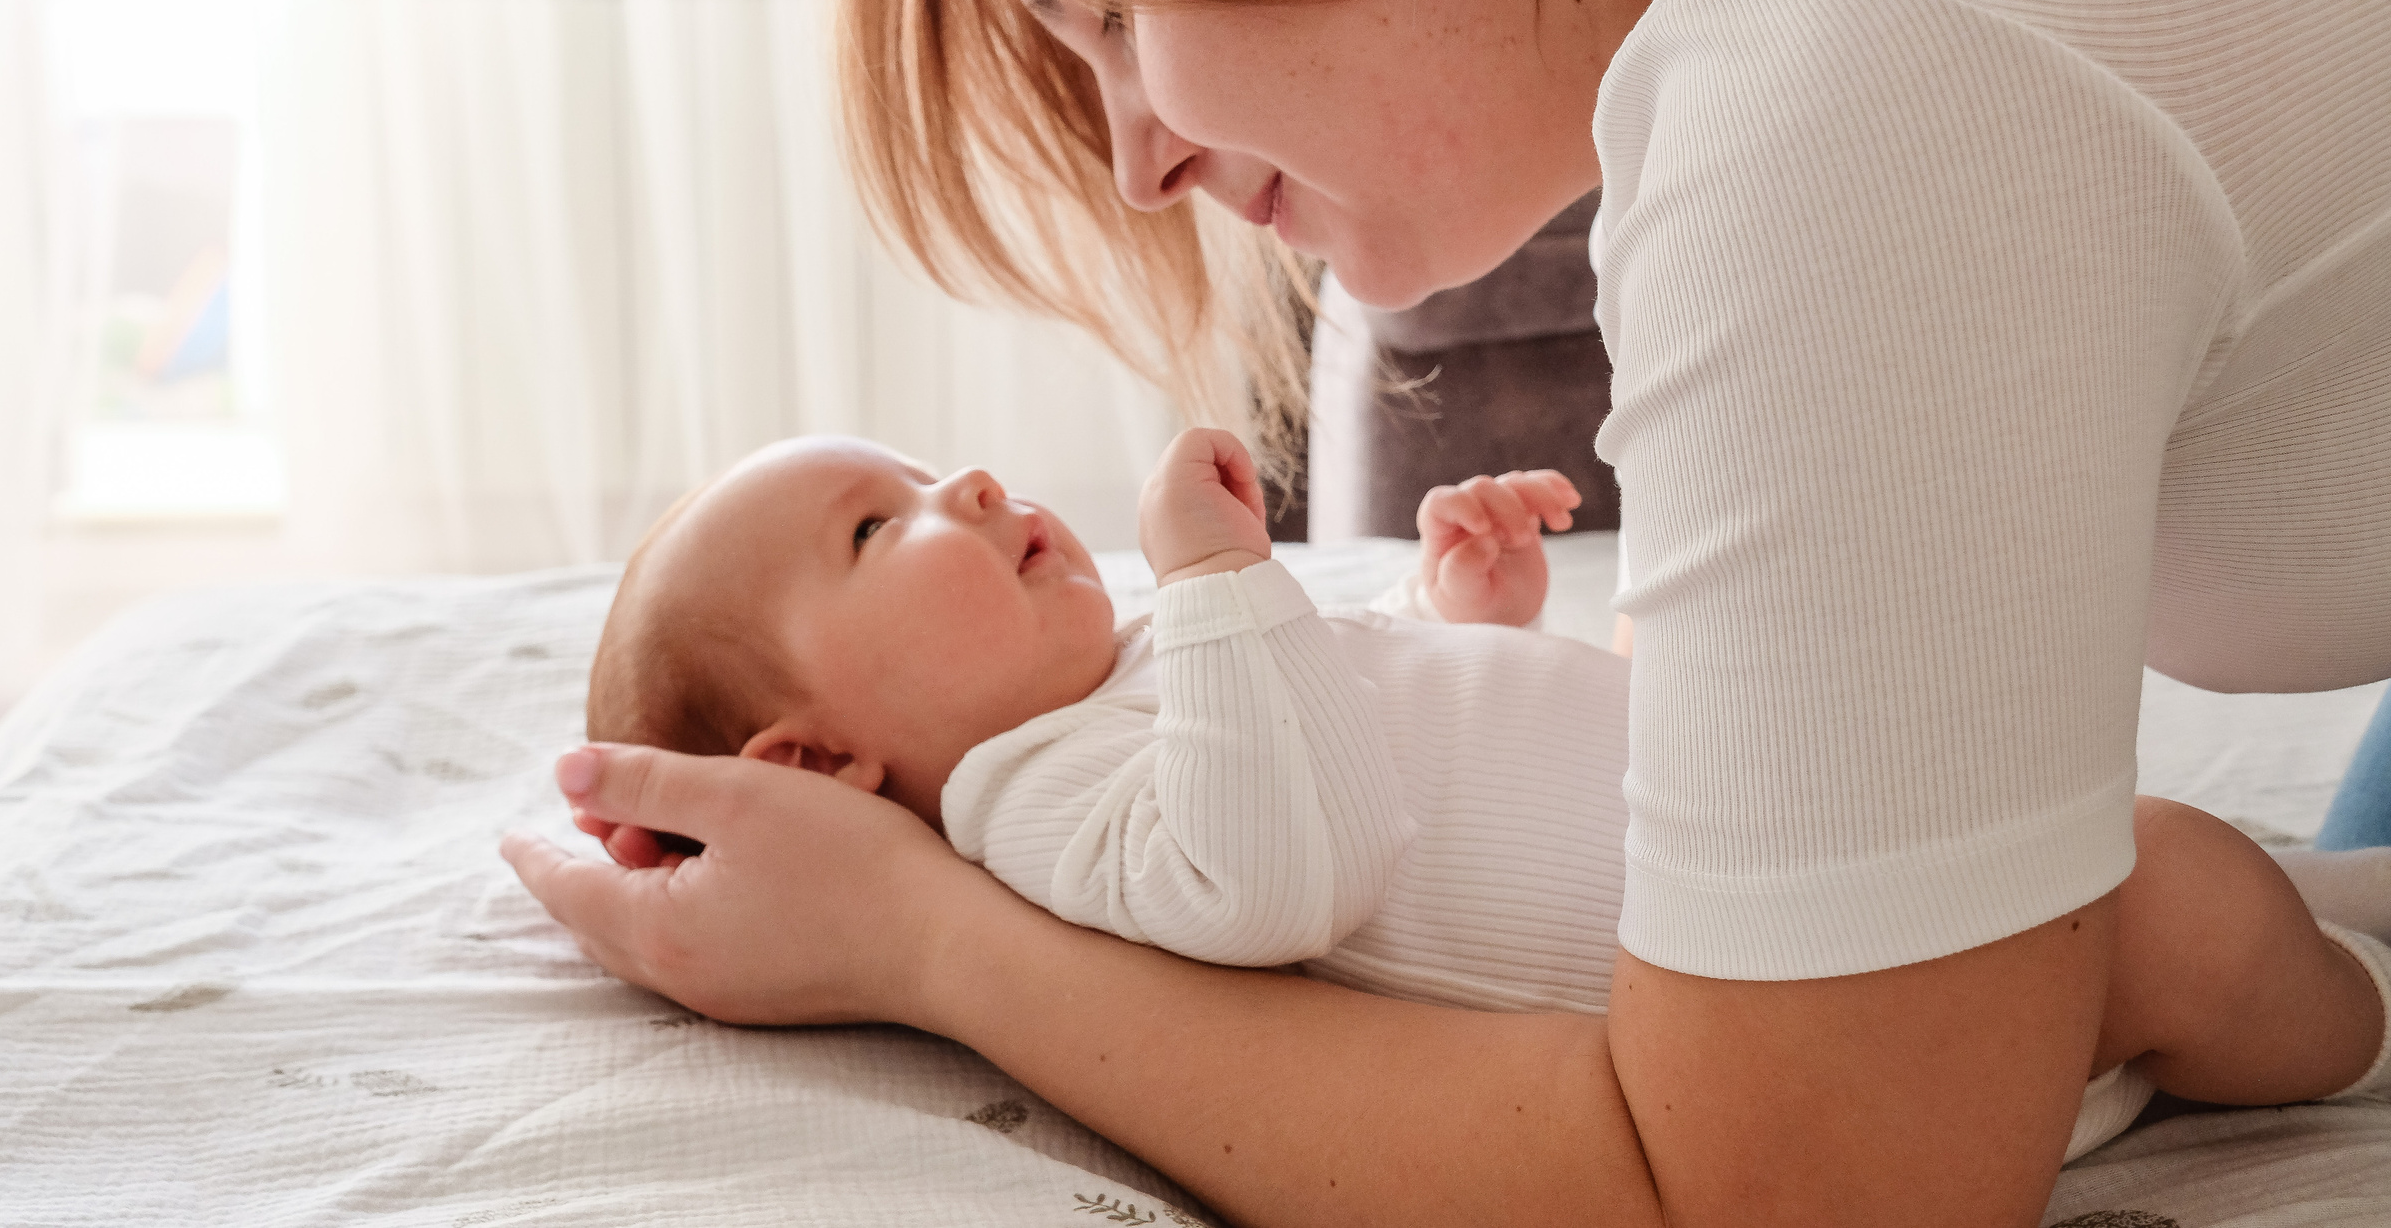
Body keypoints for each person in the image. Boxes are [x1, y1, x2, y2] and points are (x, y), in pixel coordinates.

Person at [506, 0, 2391, 1223]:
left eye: (1116, 11)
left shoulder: (1842, 80)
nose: (1138, 164)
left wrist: (921, 946)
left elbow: (1807, 1194)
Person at [574, 426, 2391, 1165]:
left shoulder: (1134, 682)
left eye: (919, 466)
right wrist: (1216, 578)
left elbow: (1411, 761)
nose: (966, 484)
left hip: (1817, 849)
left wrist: (1465, 624)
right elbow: (1282, 871)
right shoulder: (1029, 808)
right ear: (818, 763)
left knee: (2123, 837)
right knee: (2178, 897)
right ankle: (2359, 1021)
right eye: (877, 529)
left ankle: (2348, 898)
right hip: (1867, 1010)